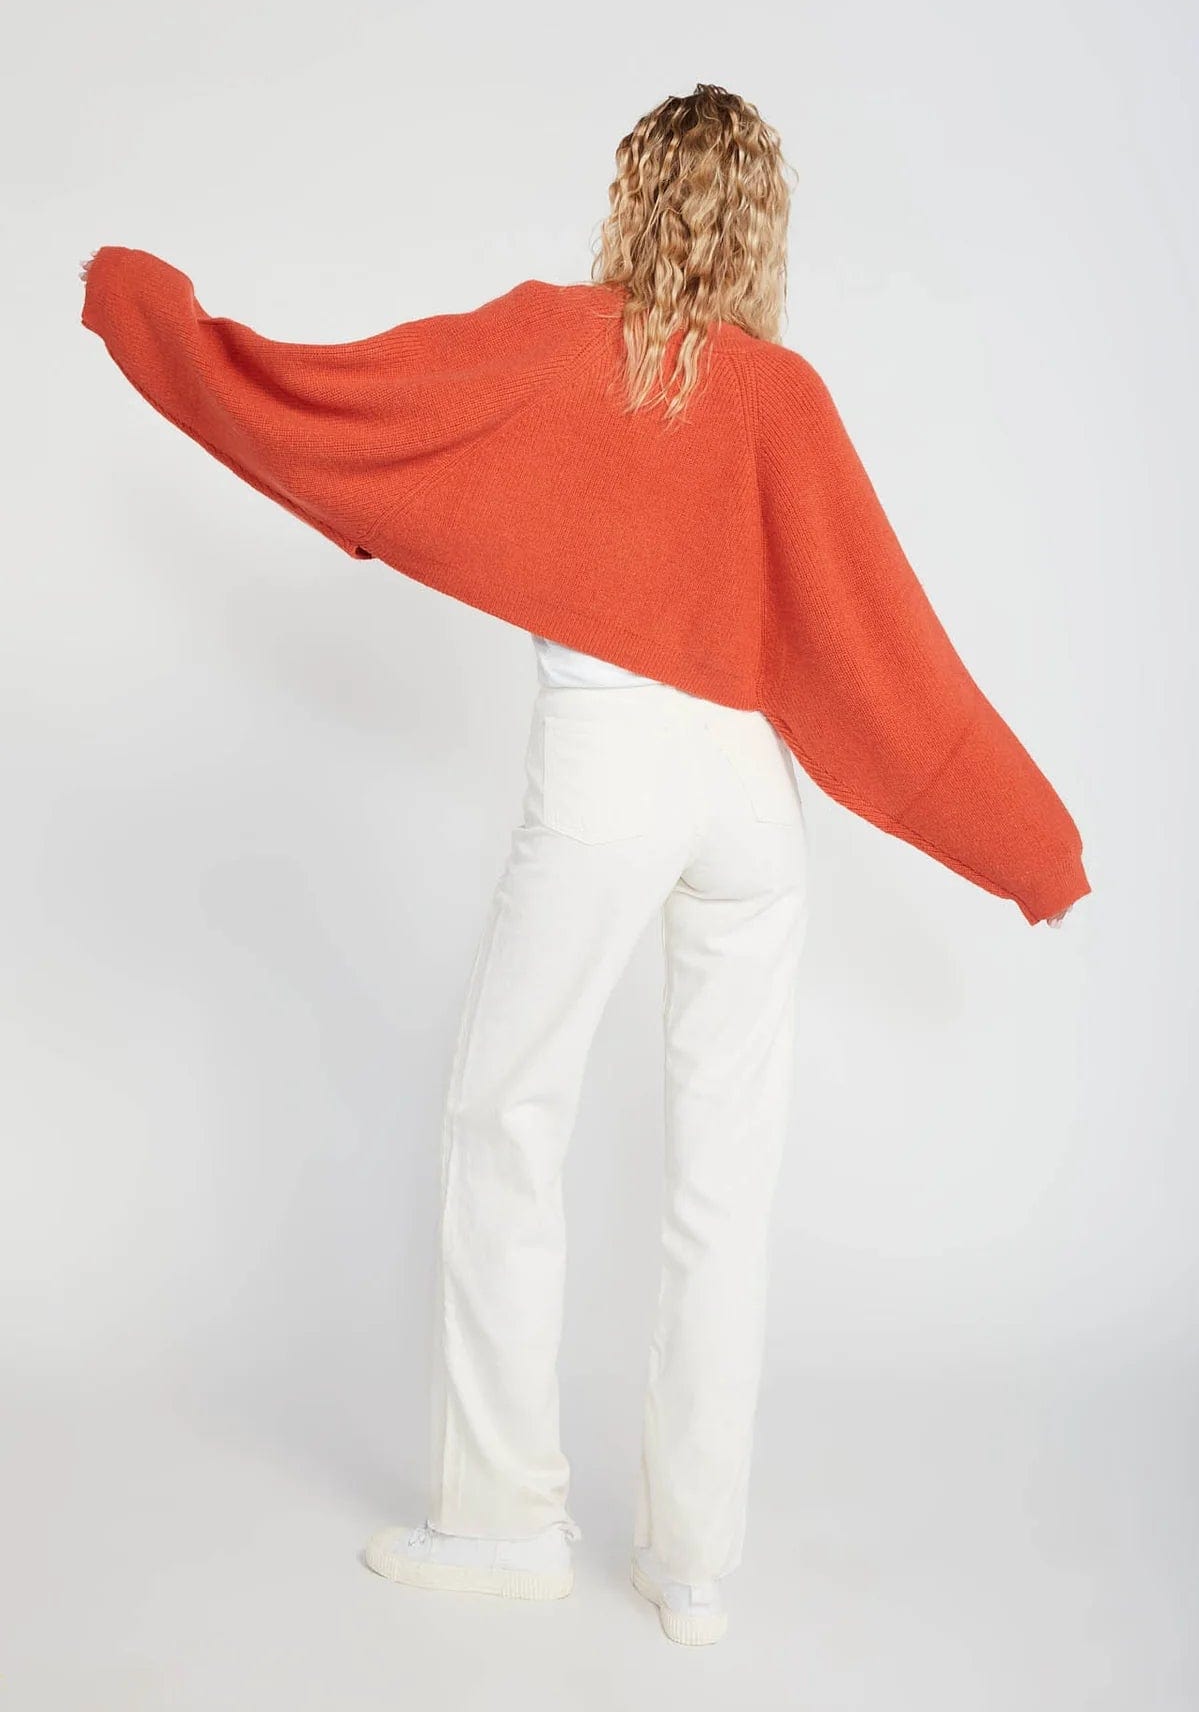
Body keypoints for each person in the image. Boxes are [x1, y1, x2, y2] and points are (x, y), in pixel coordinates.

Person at [79, 84, 1087, 1647]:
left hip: (614, 769)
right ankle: (694, 1567)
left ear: (634, 200)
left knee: (507, 1116)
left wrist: (165, 329)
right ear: (764, 231)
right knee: (725, 1180)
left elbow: (345, 408)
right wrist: (1033, 848)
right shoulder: (787, 399)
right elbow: (893, 650)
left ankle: (502, 1521)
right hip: (751, 801)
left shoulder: (559, 342)